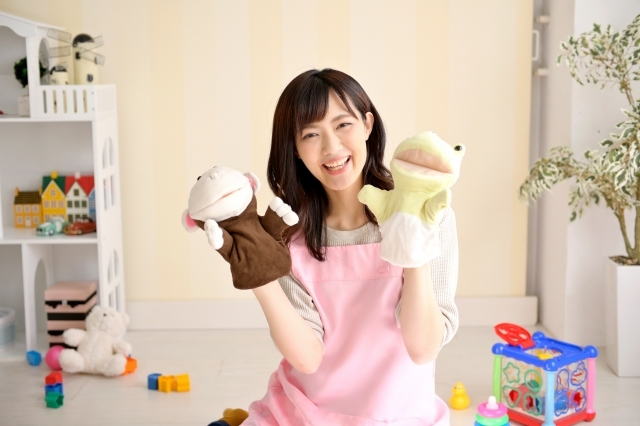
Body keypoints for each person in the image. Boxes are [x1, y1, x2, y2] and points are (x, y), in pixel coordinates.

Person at [211, 68, 459, 426]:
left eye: (343, 125)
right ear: (295, 149)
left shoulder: (428, 214)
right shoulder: (286, 236)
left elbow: (423, 349)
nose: (331, 147)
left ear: (367, 125)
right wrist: (259, 276)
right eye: (311, 134)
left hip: (400, 417)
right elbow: (307, 359)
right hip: (300, 415)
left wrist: (412, 244)